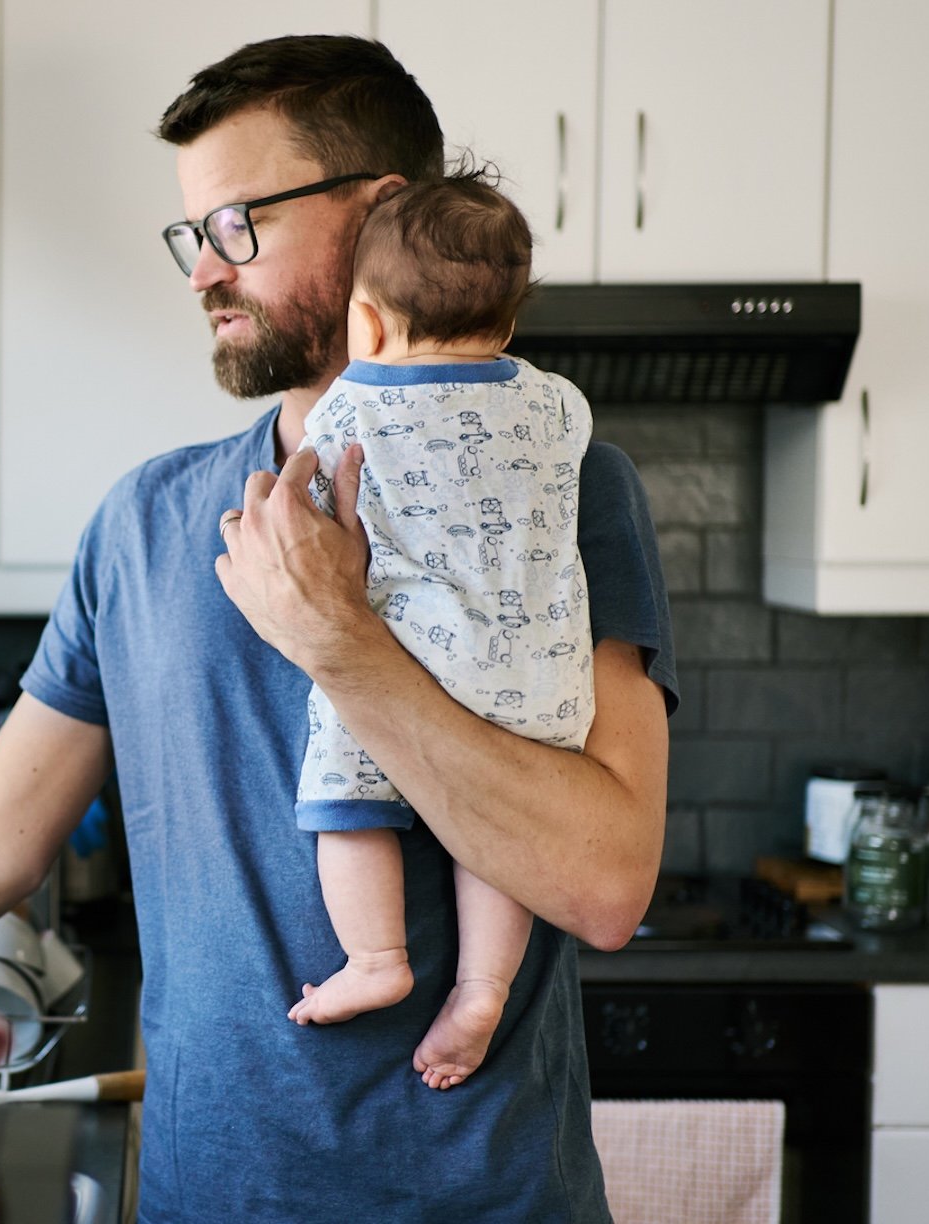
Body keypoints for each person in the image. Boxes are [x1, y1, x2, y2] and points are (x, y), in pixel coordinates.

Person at [0, 34, 676, 1222]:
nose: (203, 271)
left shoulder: (563, 486)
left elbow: (606, 884)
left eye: (239, 223)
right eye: (192, 235)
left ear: (379, 213)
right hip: (209, 1200)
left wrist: (343, 641)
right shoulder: (145, 523)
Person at [282, 171, 597, 1101]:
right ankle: (482, 985)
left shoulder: (349, 410)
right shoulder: (558, 406)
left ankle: (378, 957)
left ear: (367, 325)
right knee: (493, 839)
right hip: (539, 677)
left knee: (343, 798)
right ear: (505, 324)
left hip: (404, 668)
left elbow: (308, 516)